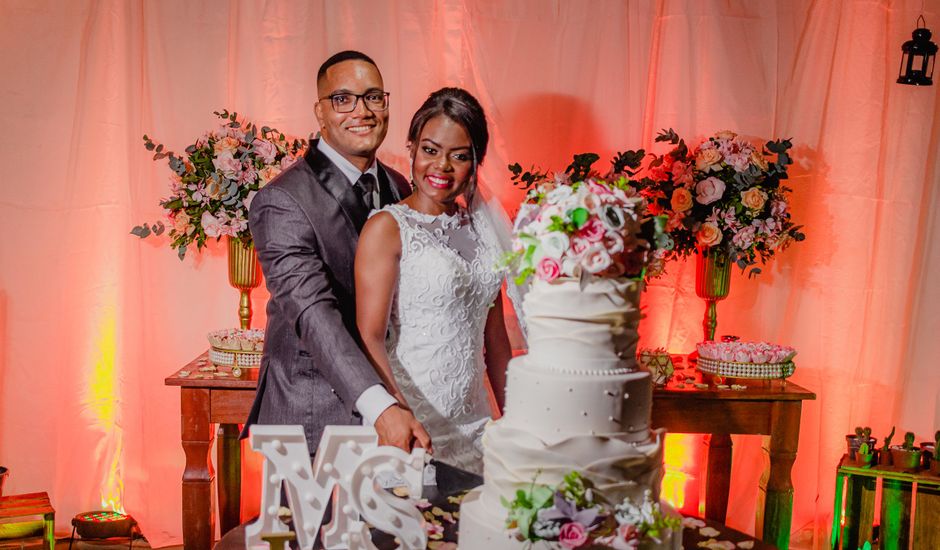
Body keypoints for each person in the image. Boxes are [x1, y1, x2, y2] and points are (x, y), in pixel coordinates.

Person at [243, 50, 431, 455]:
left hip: (404, 407)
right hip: (314, 416)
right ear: (320, 112)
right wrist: (382, 407)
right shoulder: (282, 201)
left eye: (373, 97)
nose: (361, 111)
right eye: (343, 99)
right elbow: (313, 314)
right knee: (314, 524)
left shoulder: (401, 187)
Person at [354, 88, 513, 474]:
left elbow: (495, 340)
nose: (441, 166)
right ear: (411, 148)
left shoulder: (484, 230)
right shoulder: (387, 228)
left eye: (459, 156)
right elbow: (369, 335)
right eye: (430, 150)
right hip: (414, 425)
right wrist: (394, 414)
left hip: (478, 428)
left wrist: (516, 420)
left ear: (475, 162)